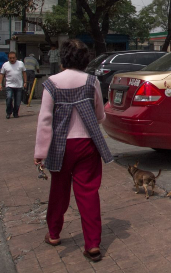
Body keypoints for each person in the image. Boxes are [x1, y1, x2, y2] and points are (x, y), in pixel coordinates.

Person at [34, 39, 113, 262]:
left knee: (58, 190)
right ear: (85, 59)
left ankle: (54, 233)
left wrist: (40, 152)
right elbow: (100, 115)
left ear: (63, 58)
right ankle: (93, 244)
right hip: (87, 145)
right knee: (88, 194)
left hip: (61, 147)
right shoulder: (91, 81)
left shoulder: (51, 83)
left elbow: (45, 120)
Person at [0, 51, 26, 119]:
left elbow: (24, 73)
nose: (12, 59)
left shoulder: (20, 63)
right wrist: (0, 84)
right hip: (9, 85)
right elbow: (2, 74)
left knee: (18, 101)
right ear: (8, 58)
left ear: (16, 58)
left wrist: (25, 82)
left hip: (19, 85)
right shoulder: (5, 65)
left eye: (13, 58)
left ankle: (15, 113)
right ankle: (8, 112)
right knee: (9, 98)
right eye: (10, 58)